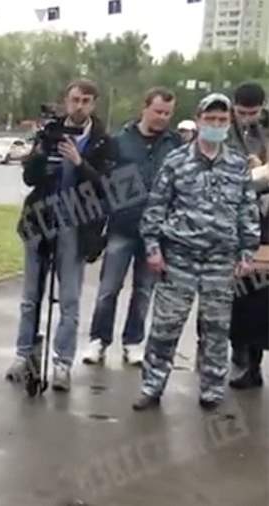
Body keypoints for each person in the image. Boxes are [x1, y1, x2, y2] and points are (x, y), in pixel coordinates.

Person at [134, 93, 261, 411]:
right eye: (210, 119)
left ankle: (212, 390)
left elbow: (247, 211)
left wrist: (247, 253)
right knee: (165, 328)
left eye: (222, 120)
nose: (216, 124)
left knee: (216, 330)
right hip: (179, 258)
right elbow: (156, 207)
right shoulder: (176, 161)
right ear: (199, 120)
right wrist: (152, 248)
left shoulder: (237, 165)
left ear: (229, 123)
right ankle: (151, 386)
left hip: (221, 261)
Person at [5, 79, 115, 392]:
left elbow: (106, 187)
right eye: (75, 99)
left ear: (93, 104)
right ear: (66, 101)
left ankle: (62, 362)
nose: (79, 106)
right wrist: (42, 152)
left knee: (69, 299)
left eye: (86, 100)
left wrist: (80, 163)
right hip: (40, 220)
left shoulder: (103, 141)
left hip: (77, 225)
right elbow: (29, 178)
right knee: (30, 297)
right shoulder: (49, 133)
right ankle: (23, 354)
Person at [82, 88, 182, 367]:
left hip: (157, 233)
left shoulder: (175, 145)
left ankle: (133, 341)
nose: (162, 117)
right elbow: (104, 182)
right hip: (123, 225)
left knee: (144, 291)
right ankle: (98, 339)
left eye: (167, 113)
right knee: (109, 288)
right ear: (144, 108)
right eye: (158, 111)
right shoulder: (119, 141)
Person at [227, 82, 269, 389]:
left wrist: (261, 167)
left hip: (265, 221)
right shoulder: (222, 125)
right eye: (242, 112)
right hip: (233, 219)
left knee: (260, 298)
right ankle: (239, 357)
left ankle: (253, 364)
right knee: (236, 296)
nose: (247, 117)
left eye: (252, 112)